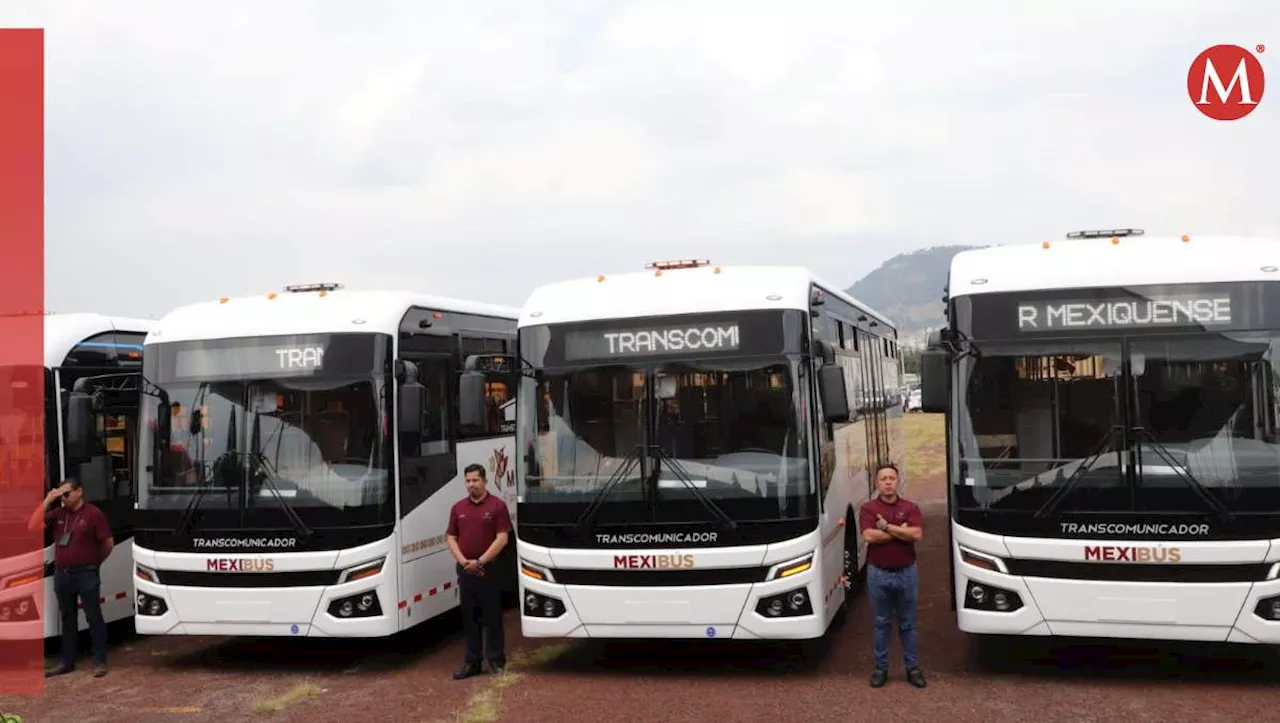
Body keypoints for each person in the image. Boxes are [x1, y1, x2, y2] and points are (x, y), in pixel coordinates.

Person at [27, 479, 114, 678]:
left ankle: (99, 661)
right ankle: (67, 662)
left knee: (93, 616)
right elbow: (32, 525)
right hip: (62, 573)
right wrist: (48, 499)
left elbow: (108, 543)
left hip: (86, 573)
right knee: (67, 619)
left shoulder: (93, 514)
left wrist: (94, 563)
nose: (64, 498)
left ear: (79, 491)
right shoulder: (59, 514)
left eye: (66, 494)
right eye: (61, 495)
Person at [858, 463, 926, 689]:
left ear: (898, 481)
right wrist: (900, 531)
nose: (888, 482)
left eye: (892, 478)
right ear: (877, 483)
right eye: (883, 479)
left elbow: (916, 534)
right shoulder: (867, 509)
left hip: (907, 573)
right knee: (881, 623)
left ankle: (913, 668)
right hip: (878, 574)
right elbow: (869, 536)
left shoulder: (911, 507)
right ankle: (880, 669)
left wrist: (886, 527)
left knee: (907, 624)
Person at [446, 463, 512, 679]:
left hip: (489, 571)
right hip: (466, 571)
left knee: (492, 616)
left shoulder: (497, 506)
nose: (471, 485)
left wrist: (480, 561)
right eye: (468, 481)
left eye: (475, 480)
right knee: (469, 617)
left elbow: (502, 539)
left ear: (485, 481)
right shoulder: (458, 508)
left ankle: (496, 659)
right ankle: (472, 662)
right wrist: (465, 562)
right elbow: (451, 538)